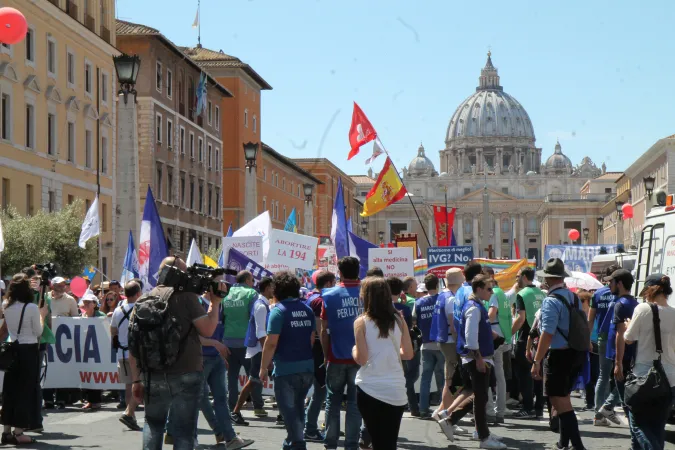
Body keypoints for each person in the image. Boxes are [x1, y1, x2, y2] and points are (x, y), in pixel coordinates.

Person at [128, 256, 221, 450]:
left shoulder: (143, 300)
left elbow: (134, 346)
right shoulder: (187, 297)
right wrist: (216, 303)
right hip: (187, 371)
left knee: (153, 424)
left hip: (153, 373)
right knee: (184, 430)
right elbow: (208, 330)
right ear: (177, 273)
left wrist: (136, 380)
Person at [438, 275, 505, 449]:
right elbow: (470, 336)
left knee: (478, 395)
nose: (492, 292)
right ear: (479, 288)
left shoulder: (477, 306)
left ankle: (451, 420)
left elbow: (475, 332)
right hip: (476, 358)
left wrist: (492, 337)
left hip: (478, 357)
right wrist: (479, 359)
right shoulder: (474, 307)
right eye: (489, 289)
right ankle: (483, 437)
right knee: (480, 397)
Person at [192, 273, 254, 450]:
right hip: (200, 358)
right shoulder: (198, 304)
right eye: (219, 282)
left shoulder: (220, 304)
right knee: (196, 400)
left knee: (221, 399)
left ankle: (229, 437)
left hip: (215, 358)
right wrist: (214, 343)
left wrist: (221, 350)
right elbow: (194, 336)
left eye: (224, 282)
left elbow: (221, 329)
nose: (224, 286)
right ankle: (192, 439)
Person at [531, 258, 587, 450]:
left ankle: (578, 446)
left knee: (559, 401)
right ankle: (564, 443)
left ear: (547, 280)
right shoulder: (574, 297)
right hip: (576, 352)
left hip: (560, 355)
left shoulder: (550, 301)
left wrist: (537, 360)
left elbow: (547, 333)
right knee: (563, 398)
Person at [353, 277, 414, 450]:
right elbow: (408, 353)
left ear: (366, 296)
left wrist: (353, 350)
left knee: (377, 440)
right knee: (389, 442)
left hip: (369, 387)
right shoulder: (399, 320)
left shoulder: (361, 322)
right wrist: (389, 354)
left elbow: (362, 359)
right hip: (395, 389)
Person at [260, 271, 316, 450]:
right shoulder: (307, 309)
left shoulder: (278, 312)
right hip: (307, 367)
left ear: (276, 291)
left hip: (286, 369)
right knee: (298, 407)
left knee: (288, 411)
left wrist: (262, 368)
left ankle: (298, 443)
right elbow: (311, 339)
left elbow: (270, 343)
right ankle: (290, 443)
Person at [624, 274, 675, 449]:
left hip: (644, 377)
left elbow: (629, 338)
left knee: (638, 424)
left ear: (651, 290)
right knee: (657, 427)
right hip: (670, 379)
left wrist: (629, 324)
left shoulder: (643, 309)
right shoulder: (674, 313)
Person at [1, 273, 49, 445]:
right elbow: (38, 332)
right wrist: (42, 315)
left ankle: (6, 431)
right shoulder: (31, 307)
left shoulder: (6, 304)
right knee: (24, 391)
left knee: (10, 391)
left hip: (12, 349)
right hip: (27, 351)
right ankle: (19, 432)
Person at [321, 256, 362, 450]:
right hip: (361, 357)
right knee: (354, 403)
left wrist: (324, 354)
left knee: (333, 400)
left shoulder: (328, 295)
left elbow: (323, 329)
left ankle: (330, 442)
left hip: (336, 356)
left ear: (340, 272)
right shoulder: (368, 293)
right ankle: (351, 444)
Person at [595, 269, 637, 428]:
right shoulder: (632, 303)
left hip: (623, 357)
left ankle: (636, 440)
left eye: (611, 282)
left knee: (627, 401)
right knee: (626, 396)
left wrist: (618, 362)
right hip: (627, 356)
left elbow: (621, 333)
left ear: (619, 283)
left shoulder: (621, 304)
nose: (608, 284)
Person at [222, 270, 262, 425]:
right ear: (247, 279)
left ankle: (231, 406)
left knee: (231, 376)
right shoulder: (252, 293)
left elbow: (222, 316)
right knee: (254, 375)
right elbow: (255, 316)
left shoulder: (226, 293)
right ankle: (258, 406)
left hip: (228, 340)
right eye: (252, 280)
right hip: (246, 341)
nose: (253, 283)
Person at [232, 277, 274, 421]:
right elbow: (261, 333)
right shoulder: (261, 306)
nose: (274, 290)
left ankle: (236, 411)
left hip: (260, 350)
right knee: (253, 381)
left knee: (254, 381)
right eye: (272, 287)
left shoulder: (263, 304)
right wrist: (267, 357)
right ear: (267, 287)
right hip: (259, 350)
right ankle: (235, 412)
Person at [304, 271, 336, 442]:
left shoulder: (311, 297)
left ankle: (320, 426)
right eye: (334, 282)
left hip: (315, 350)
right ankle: (310, 428)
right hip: (319, 350)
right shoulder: (318, 300)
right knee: (321, 392)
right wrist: (325, 353)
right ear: (329, 283)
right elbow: (319, 331)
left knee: (319, 391)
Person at [511, 267, 546, 419]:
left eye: (518, 276)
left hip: (525, 338)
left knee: (524, 374)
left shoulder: (522, 294)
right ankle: (539, 406)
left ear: (524, 277)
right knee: (538, 373)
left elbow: (521, 318)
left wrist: (508, 334)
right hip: (540, 338)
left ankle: (527, 407)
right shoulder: (542, 293)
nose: (516, 279)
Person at [430, 268, 463, 420]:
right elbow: (453, 324)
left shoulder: (443, 295)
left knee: (449, 378)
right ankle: (445, 414)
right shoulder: (451, 298)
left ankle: (442, 411)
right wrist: (460, 342)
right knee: (450, 379)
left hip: (444, 340)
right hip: (450, 341)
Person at [111, 280, 142, 431]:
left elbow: (113, 330)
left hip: (121, 353)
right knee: (140, 383)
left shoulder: (118, 310)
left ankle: (131, 416)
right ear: (138, 293)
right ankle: (129, 414)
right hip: (135, 354)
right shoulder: (140, 308)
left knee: (129, 385)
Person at [588, 265, 618, 421]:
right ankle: (606, 408)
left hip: (602, 338)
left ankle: (599, 414)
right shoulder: (621, 293)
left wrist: (588, 339)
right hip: (618, 338)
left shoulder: (598, 294)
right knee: (621, 376)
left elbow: (590, 319)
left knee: (603, 376)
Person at [414, 273, 445, 418]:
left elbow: (414, 322)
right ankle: (443, 409)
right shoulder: (443, 298)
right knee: (443, 378)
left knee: (425, 378)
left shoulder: (419, 302)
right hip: (441, 344)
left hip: (425, 345)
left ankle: (423, 409)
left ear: (425, 286)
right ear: (437, 285)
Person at [484, 267, 511, 423]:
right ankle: (500, 411)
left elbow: (491, 313)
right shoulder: (501, 292)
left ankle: (490, 411)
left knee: (487, 373)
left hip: (493, 337)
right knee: (500, 376)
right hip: (502, 336)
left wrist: (481, 322)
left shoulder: (493, 293)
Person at [79, 292, 106, 411]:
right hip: (86, 350)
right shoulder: (82, 316)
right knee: (88, 375)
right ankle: (90, 400)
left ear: (94, 304)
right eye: (84, 302)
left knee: (96, 375)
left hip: (98, 349)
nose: (86, 304)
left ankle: (96, 401)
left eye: (88, 302)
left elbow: (106, 331)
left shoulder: (101, 315)